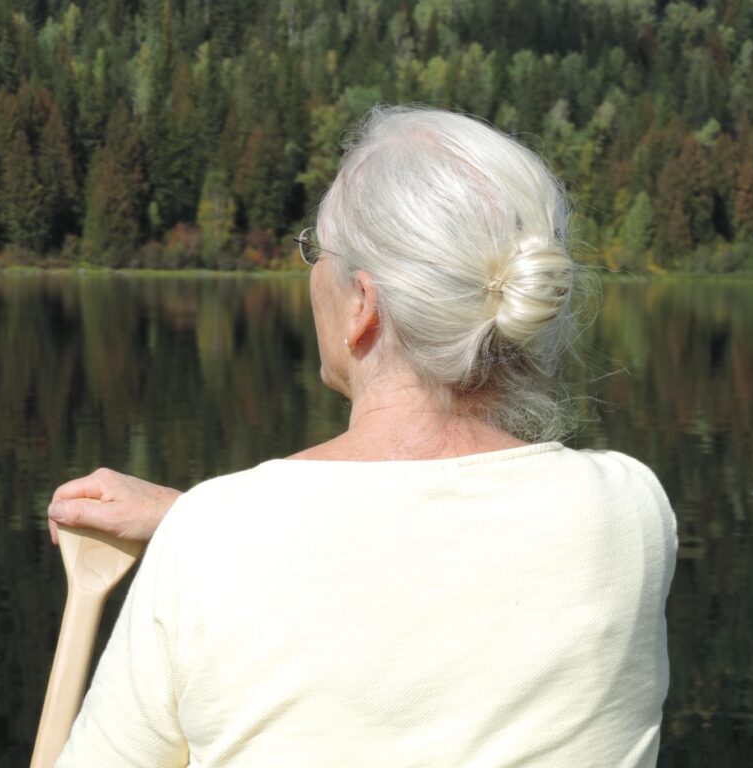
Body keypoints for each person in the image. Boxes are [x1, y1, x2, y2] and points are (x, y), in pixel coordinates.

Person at [48, 106, 677, 767]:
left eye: (316, 252)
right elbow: (450, 561)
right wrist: (194, 525)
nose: (311, 271)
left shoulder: (210, 542)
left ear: (362, 306)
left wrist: (199, 531)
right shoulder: (631, 511)